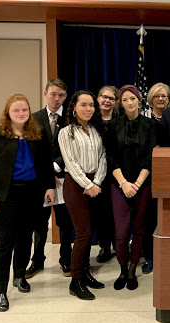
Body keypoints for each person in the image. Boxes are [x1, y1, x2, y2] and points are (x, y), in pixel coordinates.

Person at [0, 94, 56, 312]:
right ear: (8, 113)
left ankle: (20, 276)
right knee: (4, 242)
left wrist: (49, 186)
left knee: (24, 239)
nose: (21, 114)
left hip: (31, 194)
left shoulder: (36, 134)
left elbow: (45, 164)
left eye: (25, 110)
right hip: (4, 196)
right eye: (17, 111)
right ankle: (0, 291)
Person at [106, 85, 156, 290]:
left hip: (142, 184)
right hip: (119, 184)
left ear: (139, 100)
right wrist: (124, 183)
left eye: (132, 99)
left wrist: (137, 183)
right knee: (121, 231)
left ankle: (132, 269)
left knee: (139, 228)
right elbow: (110, 158)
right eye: (125, 100)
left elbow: (150, 156)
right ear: (121, 102)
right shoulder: (112, 126)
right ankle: (121, 269)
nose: (129, 103)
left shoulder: (150, 125)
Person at [58, 90, 107, 300]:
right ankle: (75, 281)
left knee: (90, 232)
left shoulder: (96, 130)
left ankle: (86, 273)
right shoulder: (66, 132)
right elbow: (70, 163)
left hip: (95, 184)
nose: (88, 109)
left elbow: (104, 157)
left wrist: (96, 182)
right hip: (75, 186)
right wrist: (88, 184)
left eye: (91, 105)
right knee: (83, 234)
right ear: (74, 107)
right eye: (84, 105)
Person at [26, 79, 73, 279]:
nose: (57, 99)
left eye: (61, 95)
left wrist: (55, 167)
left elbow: (71, 148)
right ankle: (37, 260)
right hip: (40, 181)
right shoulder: (33, 119)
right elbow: (30, 150)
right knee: (39, 223)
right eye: (53, 94)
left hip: (64, 179)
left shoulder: (71, 119)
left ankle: (65, 259)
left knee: (65, 222)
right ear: (45, 93)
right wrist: (46, 173)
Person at [141, 82, 170, 274]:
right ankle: (150, 257)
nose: (161, 99)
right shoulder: (143, 118)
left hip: (168, 174)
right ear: (151, 98)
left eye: (164, 96)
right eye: (157, 96)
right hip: (147, 174)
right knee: (148, 217)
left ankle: (168, 255)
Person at [94, 85, 119, 263]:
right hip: (96, 174)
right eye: (104, 97)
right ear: (98, 98)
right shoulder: (91, 120)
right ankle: (104, 245)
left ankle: (119, 243)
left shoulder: (121, 120)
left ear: (116, 102)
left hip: (116, 172)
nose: (107, 100)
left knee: (116, 210)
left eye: (111, 98)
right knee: (101, 212)